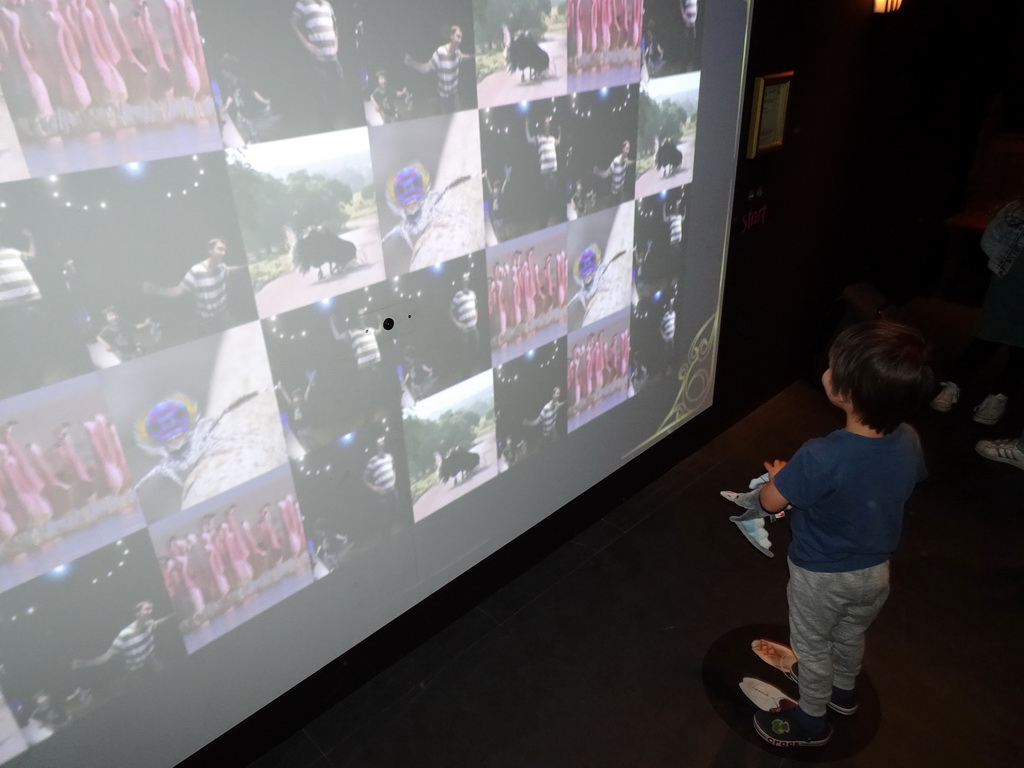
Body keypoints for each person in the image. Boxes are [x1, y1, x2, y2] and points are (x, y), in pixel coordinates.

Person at [751, 321, 934, 747]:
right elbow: (904, 480)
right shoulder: (908, 438)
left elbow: (770, 503)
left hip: (821, 577)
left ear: (845, 392)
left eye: (834, 366)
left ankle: (811, 721)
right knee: (850, 633)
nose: (827, 370)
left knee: (812, 648)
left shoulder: (821, 455)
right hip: (875, 573)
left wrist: (782, 477)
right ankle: (843, 693)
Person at [929, 198, 1024, 426]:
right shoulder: (1016, 210)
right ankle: (954, 384)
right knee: (985, 339)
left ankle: (999, 397)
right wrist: (1001, 266)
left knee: (1021, 350)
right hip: (1007, 285)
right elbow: (990, 239)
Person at [143, 238, 244, 334]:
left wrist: (246, 266)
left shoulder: (221, 267)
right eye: (220, 249)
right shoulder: (196, 271)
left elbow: (230, 269)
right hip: (208, 321)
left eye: (224, 250)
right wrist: (155, 289)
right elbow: (177, 291)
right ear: (210, 250)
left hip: (223, 314)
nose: (223, 253)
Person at [72, 600, 174, 675]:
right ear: (137, 613)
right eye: (147, 609)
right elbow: (106, 657)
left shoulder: (149, 624)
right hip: (137, 672)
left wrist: (176, 613)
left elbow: (161, 621)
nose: (150, 611)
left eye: (151, 609)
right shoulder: (124, 635)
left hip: (153, 663)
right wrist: (83, 664)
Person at [291, 0, 345, 131]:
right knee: (322, 95)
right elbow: (293, 22)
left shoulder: (327, 4)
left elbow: (336, 24)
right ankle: (326, 126)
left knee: (338, 89)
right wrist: (306, 44)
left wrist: (337, 42)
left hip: (333, 56)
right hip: (318, 58)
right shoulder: (303, 3)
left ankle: (330, 120)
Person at [404, 25, 473, 114]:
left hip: (454, 94)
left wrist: (472, 56)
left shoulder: (457, 52)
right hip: (443, 97)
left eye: (461, 38)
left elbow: (462, 56)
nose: (460, 40)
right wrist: (412, 63)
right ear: (451, 36)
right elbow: (426, 68)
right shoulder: (441, 52)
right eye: (458, 36)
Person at [525, 115, 563, 228]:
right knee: (545, 199)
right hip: (545, 174)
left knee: (554, 197)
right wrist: (526, 125)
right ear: (543, 125)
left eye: (549, 123)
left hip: (554, 173)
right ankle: (543, 223)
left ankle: (554, 220)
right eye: (546, 123)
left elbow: (559, 142)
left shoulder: (551, 138)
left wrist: (560, 132)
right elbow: (528, 140)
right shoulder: (539, 137)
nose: (548, 124)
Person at [593, 140, 634, 205]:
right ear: (622, 149)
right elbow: (606, 175)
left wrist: (635, 161)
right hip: (615, 193)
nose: (628, 151)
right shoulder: (616, 161)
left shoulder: (626, 159)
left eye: (629, 149)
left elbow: (628, 162)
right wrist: (597, 171)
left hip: (621, 191)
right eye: (627, 148)